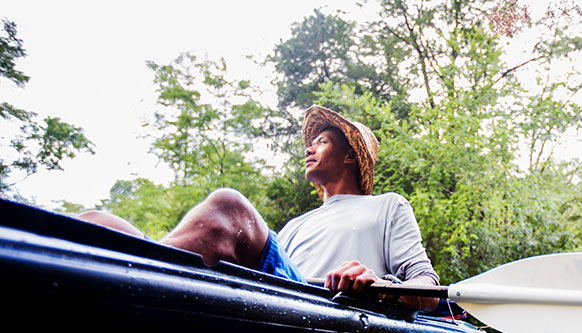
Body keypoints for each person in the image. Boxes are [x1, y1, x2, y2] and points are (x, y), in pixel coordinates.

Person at [78, 105, 439, 310]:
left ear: (349, 158)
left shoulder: (387, 206)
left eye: (323, 141)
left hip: (326, 308)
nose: (310, 148)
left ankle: (136, 287)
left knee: (230, 207)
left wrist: (382, 284)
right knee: (100, 223)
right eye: (311, 142)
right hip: (281, 295)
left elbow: (427, 287)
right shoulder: (296, 225)